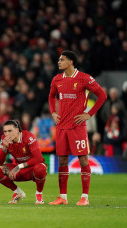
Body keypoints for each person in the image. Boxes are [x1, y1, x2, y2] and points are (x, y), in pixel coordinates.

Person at [48, 50, 107, 206]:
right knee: (62, 160)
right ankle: (63, 197)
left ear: (71, 62)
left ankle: (85, 197)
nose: (59, 62)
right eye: (59, 59)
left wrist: (89, 114)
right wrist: (53, 112)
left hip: (77, 126)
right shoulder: (57, 79)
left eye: (62, 59)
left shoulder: (84, 78)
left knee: (83, 159)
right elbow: (51, 96)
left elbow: (102, 95)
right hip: (61, 126)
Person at [0, 120, 47, 204]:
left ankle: (39, 195)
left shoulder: (28, 137)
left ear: (17, 130)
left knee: (40, 168)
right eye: (5, 131)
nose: (7, 134)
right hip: (18, 171)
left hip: (31, 170)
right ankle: (17, 192)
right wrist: (4, 149)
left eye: (10, 131)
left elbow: (38, 158)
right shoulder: (4, 139)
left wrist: (19, 166)